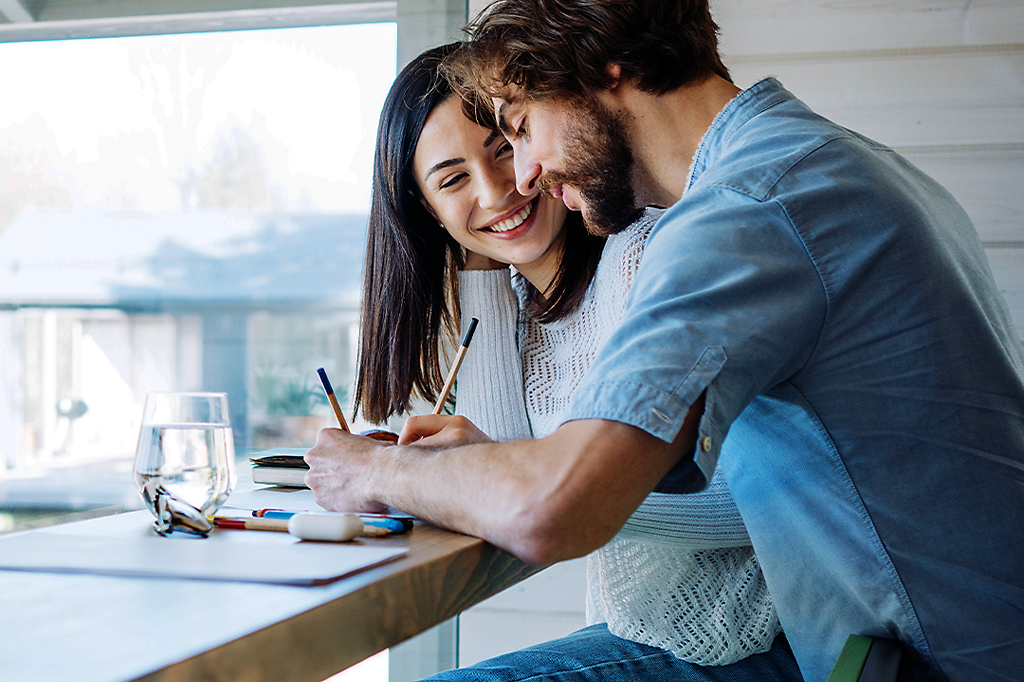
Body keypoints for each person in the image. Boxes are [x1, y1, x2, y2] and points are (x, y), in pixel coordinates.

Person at [306, 2, 1024, 681]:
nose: (521, 177)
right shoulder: (823, 163)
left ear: (603, 67)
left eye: (520, 128)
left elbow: (553, 507)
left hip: (924, 665)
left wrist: (370, 471)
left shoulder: (746, 213)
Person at [350, 42, 799, 679]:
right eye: (452, 180)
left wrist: (577, 494)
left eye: (504, 147)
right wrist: (479, 265)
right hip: (645, 635)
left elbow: (748, 501)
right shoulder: (514, 304)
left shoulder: (644, 252)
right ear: (425, 213)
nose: (498, 188)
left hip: (760, 643)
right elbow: (507, 466)